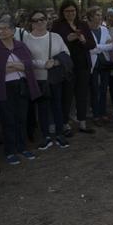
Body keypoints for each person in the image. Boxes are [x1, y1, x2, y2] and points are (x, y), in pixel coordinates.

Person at [0, 16, 41, 165]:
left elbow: (28, 65)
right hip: (4, 88)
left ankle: (22, 147)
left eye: (5, 28)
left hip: (21, 86)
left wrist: (16, 66)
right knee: (8, 120)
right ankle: (10, 151)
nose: (2, 31)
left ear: (13, 30)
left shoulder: (20, 46)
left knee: (21, 118)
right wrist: (16, 66)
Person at [22, 10, 70, 149]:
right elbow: (27, 60)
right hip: (38, 80)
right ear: (31, 23)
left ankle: (60, 135)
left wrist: (55, 62)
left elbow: (66, 53)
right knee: (42, 108)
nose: (39, 22)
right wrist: (43, 64)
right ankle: (46, 136)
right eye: (36, 20)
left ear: (47, 20)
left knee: (57, 106)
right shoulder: (27, 39)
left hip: (54, 78)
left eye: (42, 19)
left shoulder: (55, 37)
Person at [51, 0, 97, 135]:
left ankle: (82, 123)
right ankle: (65, 124)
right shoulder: (57, 25)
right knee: (67, 95)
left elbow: (92, 44)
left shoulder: (82, 24)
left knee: (82, 94)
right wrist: (67, 39)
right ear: (62, 12)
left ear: (76, 11)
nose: (70, 13)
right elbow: (54, 46)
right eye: (67, 11)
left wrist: (82, 39)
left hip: (83, 64)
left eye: (73, 10)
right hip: (67, 66)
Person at [87, 8, 113, 124]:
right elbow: (88, 49)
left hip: (104, 63)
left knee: (103, 89)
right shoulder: (86, 31)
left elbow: (111, 46)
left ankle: (103, 113)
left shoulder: (104, 29)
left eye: (100, 15)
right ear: (91, 17)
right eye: (97, 15)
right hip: (92, 64)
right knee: (94, 89)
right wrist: (102, 46)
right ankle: (96, 114)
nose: (100, 17)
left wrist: (97, 47)